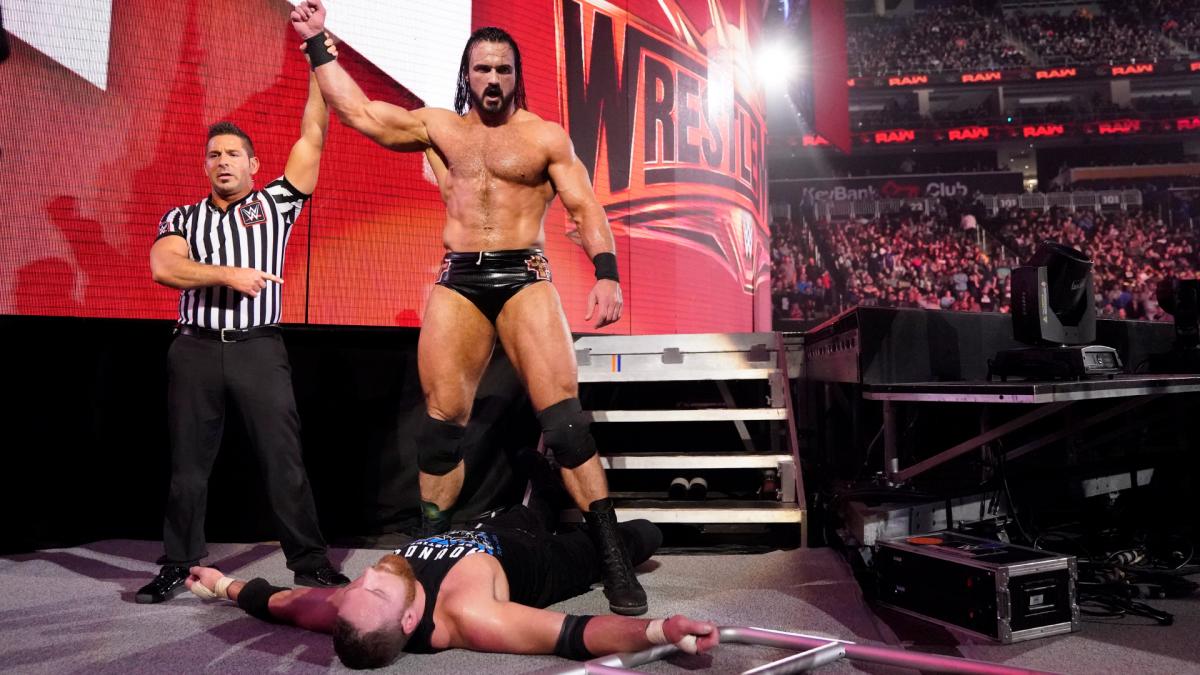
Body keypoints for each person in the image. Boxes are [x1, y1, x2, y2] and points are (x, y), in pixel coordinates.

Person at [288, 1, 645, 615]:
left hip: (524, 275)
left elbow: (585, 207)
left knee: (565, 425)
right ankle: (429, 549)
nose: (493, 79)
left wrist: (607, 274)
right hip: (460, 278)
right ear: (467, 74)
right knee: (441, 426)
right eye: (483, 69)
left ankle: (611, 553)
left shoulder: (544, 137)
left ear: (517, 75)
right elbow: (361, 113)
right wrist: (319, 42)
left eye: (504, 69)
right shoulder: (440, 129)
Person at [137, 68, 349, 603]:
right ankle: (179, 563)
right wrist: (228, 274)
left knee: (283, 458)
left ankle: (310, 563)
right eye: (214, 155)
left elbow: (313, 135)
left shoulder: (276, 204)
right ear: (205, 165)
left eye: (233, 154)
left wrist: (317, 65)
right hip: (195, 348)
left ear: (253, 165)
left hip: (258, 347)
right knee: (188, 466)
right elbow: (164, 267)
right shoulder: (182, 217)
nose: (223, 161)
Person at [185, 506, 718, 669]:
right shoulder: (468, 617)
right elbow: (574, 634)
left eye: (358, 586)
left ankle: (546, 496)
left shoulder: (351, 610)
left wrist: (221, 584)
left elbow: (279, 602)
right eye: (377, 590)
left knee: (524, 502)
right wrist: (661, 631)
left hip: (489, 526)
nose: (369, 575)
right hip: (546, 562)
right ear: (409, 621)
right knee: (643, 534)